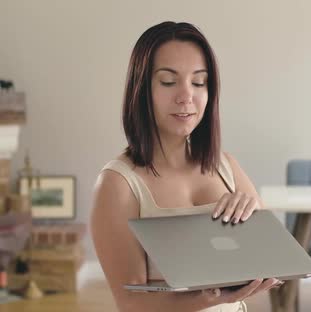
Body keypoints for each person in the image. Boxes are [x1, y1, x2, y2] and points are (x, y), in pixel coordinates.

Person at [90, 21, 281, 312]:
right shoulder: (118, 184)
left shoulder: (227, 167)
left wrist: (254, 216)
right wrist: (209, 298)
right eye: (168, 81)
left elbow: (273, 266)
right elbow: (131, 303)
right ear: (142, 89)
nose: (186, 96)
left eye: (199, 82)